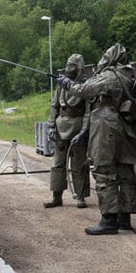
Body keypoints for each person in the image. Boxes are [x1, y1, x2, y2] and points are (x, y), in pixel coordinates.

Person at [58, 44, 136, 235]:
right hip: (125, 126)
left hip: (106, 125)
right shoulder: (128, 75)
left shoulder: (110, 75)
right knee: (125, 171)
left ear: (110, 58)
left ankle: (109, 220)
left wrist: (66, 84)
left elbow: (84, 90)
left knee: (104, 170)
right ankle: (124, 218)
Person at [43, 54, 90, 209]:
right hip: (60, 129)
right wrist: (51, 126)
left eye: (73, 66)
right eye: (68, 65)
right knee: (58, 164)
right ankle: (56, 197)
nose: (69, 69)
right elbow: (54, 106)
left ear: (79, 68)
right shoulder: (61, 85)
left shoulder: (85, 86)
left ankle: (81, 197)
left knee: (79, 165)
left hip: (77, 130)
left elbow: (88, 112)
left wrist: (83, 131)